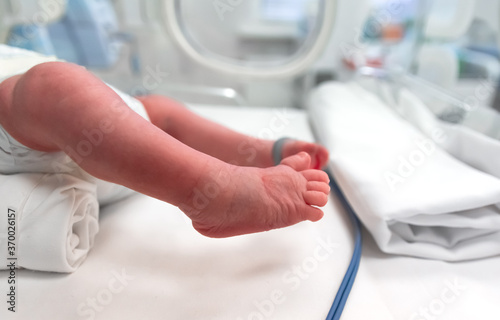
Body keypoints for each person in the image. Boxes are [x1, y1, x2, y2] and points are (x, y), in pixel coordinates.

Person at [0, 59, 330, 238]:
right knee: (52, 86)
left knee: (158, 111)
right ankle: (215, 190)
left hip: (118, 147)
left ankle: (260, 152)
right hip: (38, 135)